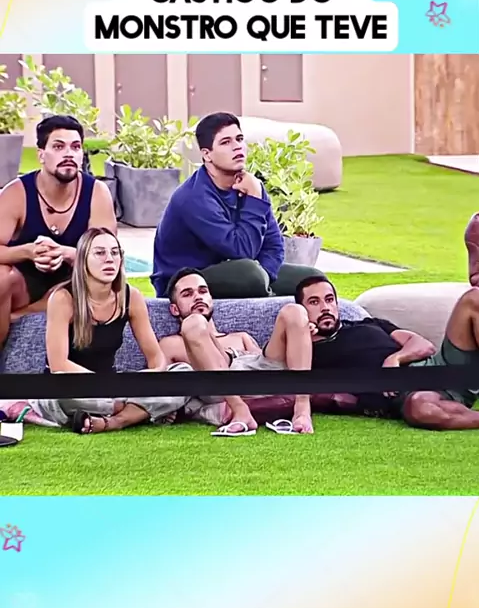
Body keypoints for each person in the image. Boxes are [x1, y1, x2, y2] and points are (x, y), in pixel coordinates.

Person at [37, 228, 220, 434]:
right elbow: (58, 364)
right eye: (100, 253)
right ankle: (136, 412)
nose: (109, 259)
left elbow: (156, 358)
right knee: (61, 390)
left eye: (115, 253)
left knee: (183, 373)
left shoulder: (130, 297)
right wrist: (111, 390)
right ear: (83, 259)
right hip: (76, 387)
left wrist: (147, 381)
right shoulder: (63, 298)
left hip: (115, 389)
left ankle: (114, 421)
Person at [151, 112, 324, 299]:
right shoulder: (193, 198)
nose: (237, 147)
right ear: (207, 154)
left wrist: (264, 278)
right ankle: (267, 297)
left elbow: (274, 245)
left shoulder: (252, 185)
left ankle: (266, 292)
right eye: (226, 142)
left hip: (241, 271)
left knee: (313, 280)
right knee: (249, 273)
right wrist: (254, 200)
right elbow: (241, 250)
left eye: (239, 139)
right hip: (185, 281)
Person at [295, 274, 479, 430]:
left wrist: (395, 359)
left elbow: (424, 345)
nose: (325, 308)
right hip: (411, 395)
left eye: (329, 300)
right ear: (302, 310)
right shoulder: (308, 354)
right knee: (421, 407)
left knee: (473, 298)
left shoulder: (369, 324)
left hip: (440, 367)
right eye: (314, 302)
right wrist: (301, 333)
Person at [0, 114, 117, 347]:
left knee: (98, 279)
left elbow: (108, 255)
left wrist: (65, 253)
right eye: (58, 146)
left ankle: (18, 318)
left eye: (76, 147)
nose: (69, 154)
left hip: (75, 281)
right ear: (41, 155)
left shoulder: (97, 193)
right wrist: (29, 251)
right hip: (25, 282)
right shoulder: (16, 193)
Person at [158, 267, 314, 434]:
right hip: (217, 386)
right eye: (187, 294)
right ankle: (241, 411)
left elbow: (262, 362)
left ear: (211, 298)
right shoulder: (172, 344)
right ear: (174, 309)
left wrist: (301, 334)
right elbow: (160, 386)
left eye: (203, 291)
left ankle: (302, 411)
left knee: (295, 311)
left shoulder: (240, 337)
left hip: (258, 374)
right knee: (193, 323)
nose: (198, 297)